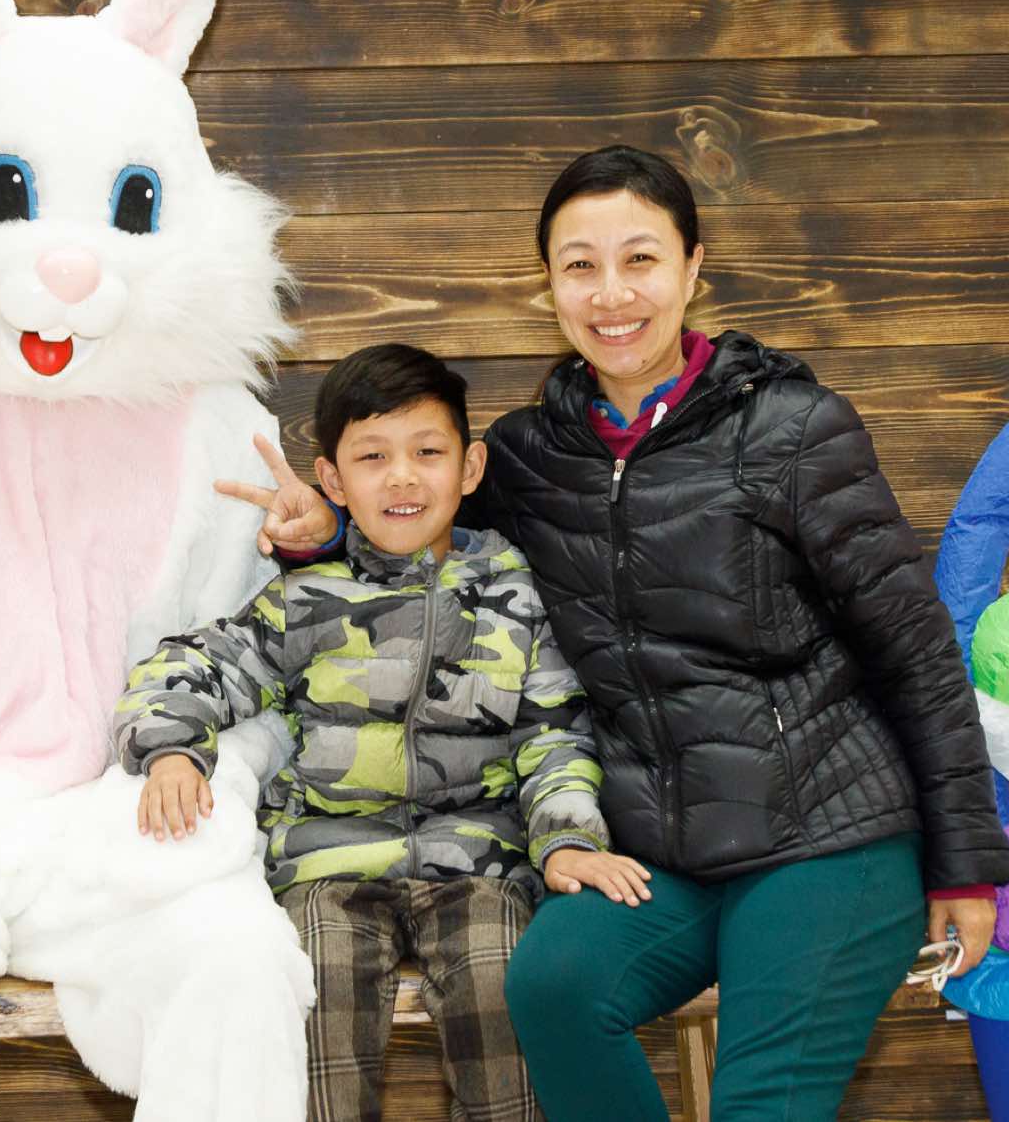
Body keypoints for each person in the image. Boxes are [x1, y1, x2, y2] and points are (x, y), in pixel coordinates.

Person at [220, 147, 1009, 1121]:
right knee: (553, 984)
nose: (611, 294)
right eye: (579, 265)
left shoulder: (794, 430)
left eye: (639, 259)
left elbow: (916, 650)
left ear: (691, 267)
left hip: (822, 838)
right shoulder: (528, 456)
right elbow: (417, 540)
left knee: (760, 1103)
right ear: (547, 285)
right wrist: (324, 534)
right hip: (657, 854)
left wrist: (966, 862)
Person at [114, 343, 650, 1122]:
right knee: (316, 995)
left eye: (427, 452)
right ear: (333, 480)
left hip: (478, 863)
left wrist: (566, 837)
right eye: (372, 457)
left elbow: (555, 738)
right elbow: (187, 667)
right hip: (326, 865)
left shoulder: (516, 596)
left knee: (504, 987)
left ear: (469, 468)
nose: (402, 477)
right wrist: (171, 750)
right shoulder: (305, 600)